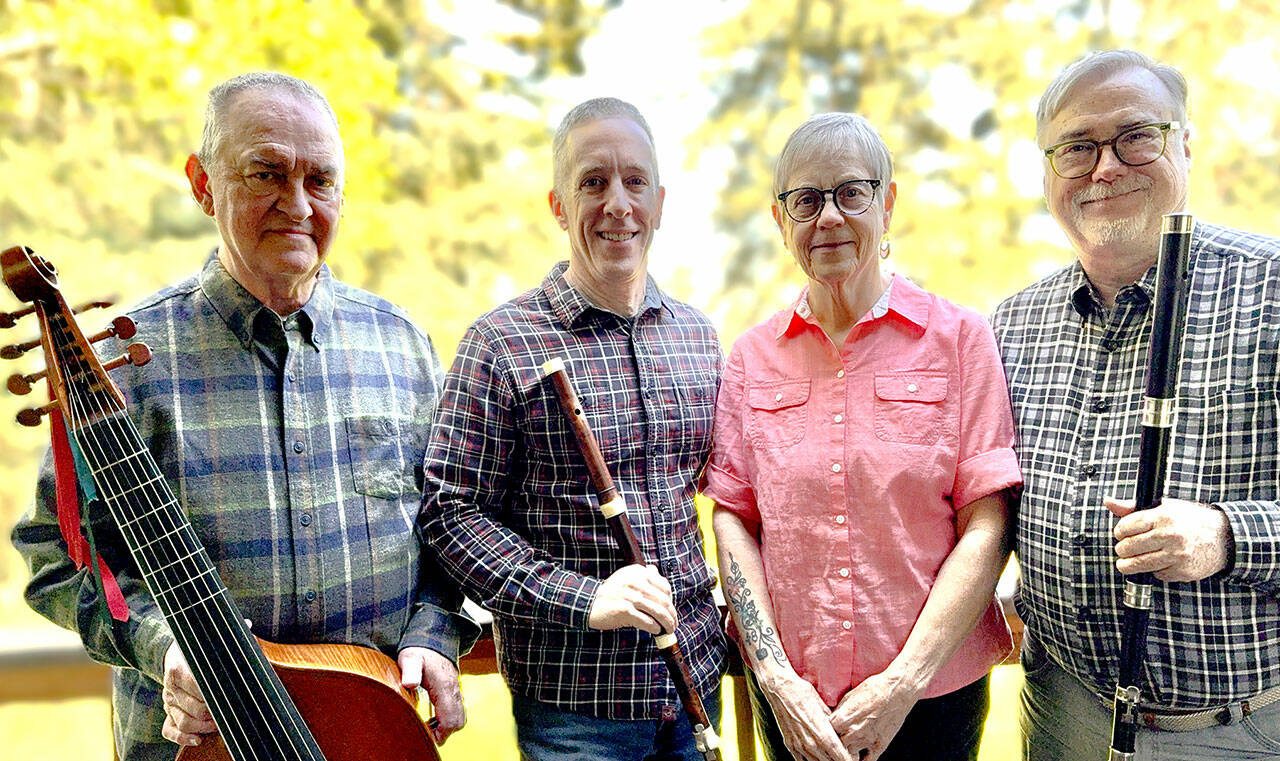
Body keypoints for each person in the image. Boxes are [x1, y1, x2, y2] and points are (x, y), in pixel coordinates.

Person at [11, 72, 477, 761]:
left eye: (320, 181)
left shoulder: (401, 342)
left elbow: (451, 523)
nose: (296, 204)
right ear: (203, 184)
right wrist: (162, 644)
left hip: (370, 740)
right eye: (267, 173)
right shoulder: (119, 365)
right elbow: (59, 557)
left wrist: (434, 633)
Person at [992, 49, 1280, 760]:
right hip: (1061, 712)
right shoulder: (1010, 324)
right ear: (1048, 172)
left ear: (1185, 143)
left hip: (1237, 729)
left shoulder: (1273, 289)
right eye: (1077, 147)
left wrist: (1227, 533)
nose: (1105, 167)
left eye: (1136, 136)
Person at [706, 112, 1022, 761]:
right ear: (780, 219)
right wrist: (774, 677)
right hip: (797, 701)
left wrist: (903, 682)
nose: (828, 217)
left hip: (935, 695)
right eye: (806, 199)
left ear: (888, 201)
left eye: (851, 192)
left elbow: (987, 521)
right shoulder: (750, 358)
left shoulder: (960, 339)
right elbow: (734, 518)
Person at [421, 97, 726, 761]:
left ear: (661, 200)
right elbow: (450, 515)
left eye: (634, 181)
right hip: (575, 711)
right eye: (593, 182)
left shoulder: (700, 338)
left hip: (695, 686)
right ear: (559, 205)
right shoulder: (500, 343)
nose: (617, 203)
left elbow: (721, 496)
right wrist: (586, 597)